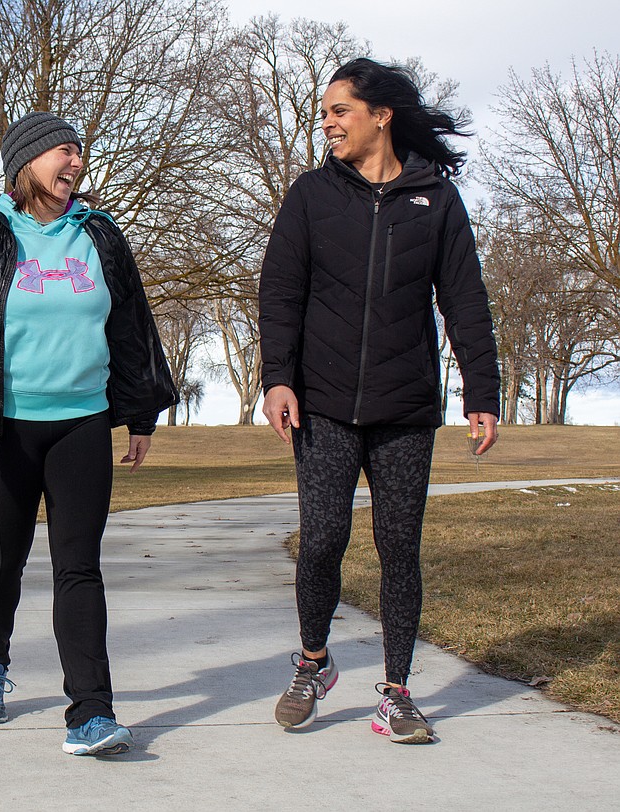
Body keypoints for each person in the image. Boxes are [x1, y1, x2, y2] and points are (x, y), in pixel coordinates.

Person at [259, 58, 500, 744]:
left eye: (340, 110)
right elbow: (279, 291)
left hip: (405, 406)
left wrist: (482, 391)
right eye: (326, 112)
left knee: (400, 547)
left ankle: (396, 693)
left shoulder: (436, 199)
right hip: (324, 401)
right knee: (324, 538)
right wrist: (278, 378)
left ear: (380, 115)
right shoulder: (311, 195)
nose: (328, 122)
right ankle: (313, 662)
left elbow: (465, 301)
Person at [0, 111, 178, 756]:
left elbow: (130, 326)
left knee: (79, 567)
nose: (76, 163)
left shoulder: (100, 234)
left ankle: (91, 713)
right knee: (3, 560)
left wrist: (140, 413)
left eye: (80, 153)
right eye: (64, 151)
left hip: (83, 424)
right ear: (27, 163)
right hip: (5, 426)